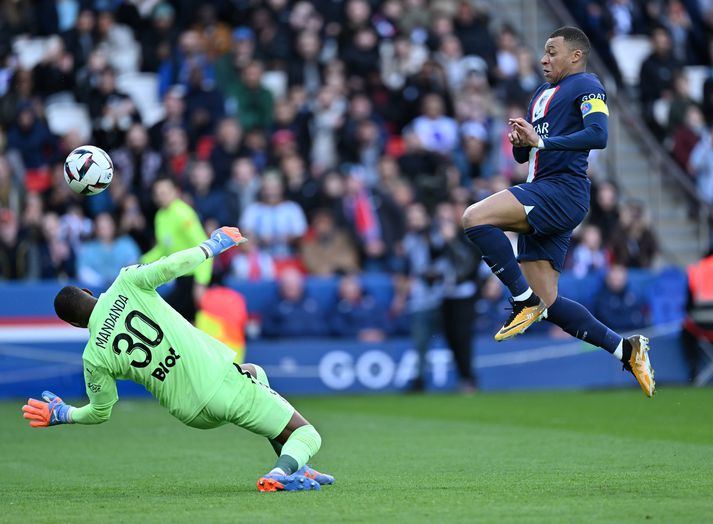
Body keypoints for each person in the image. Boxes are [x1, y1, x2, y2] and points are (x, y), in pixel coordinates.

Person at [21, 227, 333, 493]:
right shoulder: (126, 282)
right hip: (218, 381)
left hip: (190, 412)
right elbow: (172, 266)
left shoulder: (94, 356)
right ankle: (279, 475)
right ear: (89, 291)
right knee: (308, 434)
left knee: (254, 373)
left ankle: (296, 466)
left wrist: (65, 414)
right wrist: (213, 245)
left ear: (75, 325)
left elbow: (101, 411)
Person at [461, 26, 655, 397]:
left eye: (552, 52)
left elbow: (599, 135)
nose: (543, 58)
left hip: (561, 191)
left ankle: (521, 301)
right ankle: (625, 349)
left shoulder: (587, 85)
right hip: (546, 190)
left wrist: (542, 140)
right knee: (548, 303)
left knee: (474, 217)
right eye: (544, 52)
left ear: (576, 56)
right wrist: (522, 143)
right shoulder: (540, 95)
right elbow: (531, 153)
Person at [141, 177, 210, 322]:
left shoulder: (183, 213)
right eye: (158, 194)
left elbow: (204, 246)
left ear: (175, 192)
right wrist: (142, 262)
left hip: (193, 276)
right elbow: (163, 248)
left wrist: (201, 282)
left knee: (168, 317)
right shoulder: (160, 216)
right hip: (179, 276)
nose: (161, 197)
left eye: (165, 192)